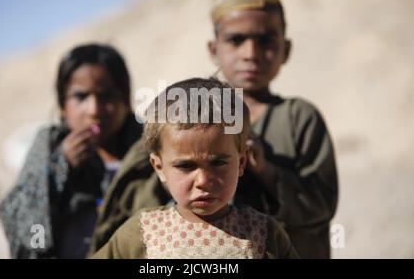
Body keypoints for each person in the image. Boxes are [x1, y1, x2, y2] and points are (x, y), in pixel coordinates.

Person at [91, 0, 338, 259]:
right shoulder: (180, 114)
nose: (250, 53)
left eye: (266, 40)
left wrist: (267, 171)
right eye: (236, 40)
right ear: (213, 49)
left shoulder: (297, 118)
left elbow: (322, 205)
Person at [92, 78, 298, 259]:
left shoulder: (263, 233)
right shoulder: (141, 232)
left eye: (218, 163)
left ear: (241, 162)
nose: (203, 181)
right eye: (186, 166)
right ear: (159, 167)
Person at [0, 43, 142, 258]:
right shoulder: (48, 146)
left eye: (107, 96)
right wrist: (59, 166)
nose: (94, 110)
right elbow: (18, 216)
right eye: (81, 97)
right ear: (63, 105)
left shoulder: (148, 148)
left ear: (125, 99)